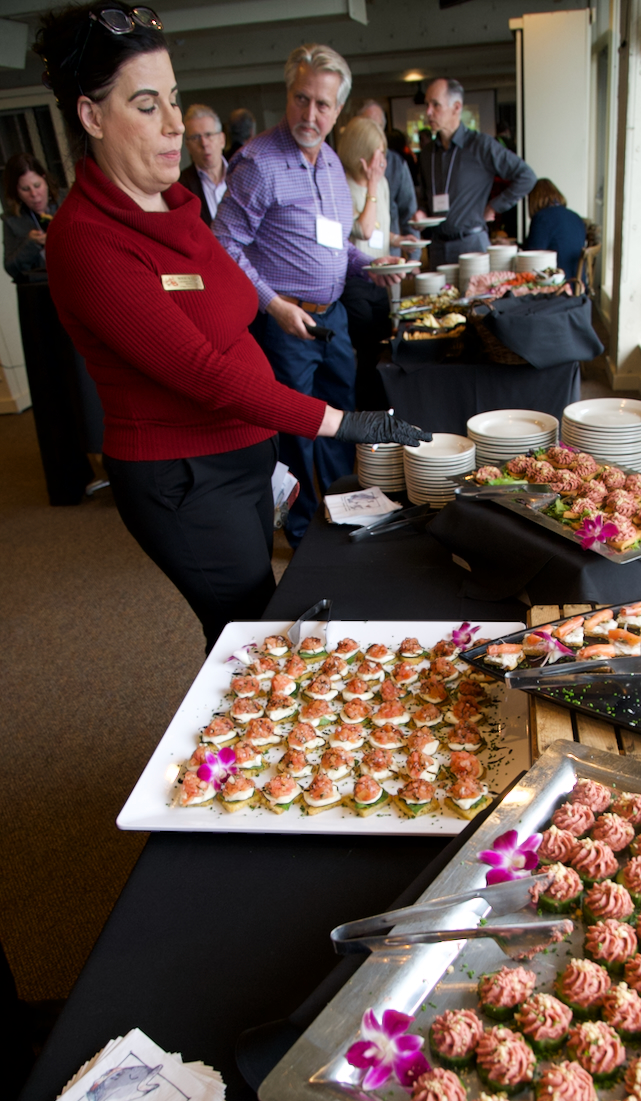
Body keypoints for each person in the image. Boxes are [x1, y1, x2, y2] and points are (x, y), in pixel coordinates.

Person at [35, 4, 428, 651]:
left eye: (173, 99)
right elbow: (204, 374)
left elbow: (233, 301)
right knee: (253, 638)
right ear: (91, 115)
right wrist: (342, 419)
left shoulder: (176, 206)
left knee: (261, 626)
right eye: (144, 105)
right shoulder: (86, 240)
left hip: (244, 456)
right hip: (185, 479)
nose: (172, 126)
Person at [213, 42, 408, 547]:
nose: (310, 113)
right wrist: (271, 304)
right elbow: (222, 242)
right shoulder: (257, 161)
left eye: (322, 104)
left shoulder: (330, 166)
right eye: (301, 99)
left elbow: (334, 241)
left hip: (333, 319)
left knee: (341, 422)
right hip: (283, 324)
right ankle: (302, 540)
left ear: (338, 109)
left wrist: (370, 265)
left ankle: (349, 516)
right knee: (297, 430)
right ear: (289, 94)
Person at [3, 152, 103, 505]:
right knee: (59, 388)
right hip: (41, 312)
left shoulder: (67, 206)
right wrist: (32, 243)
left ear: (47, 182)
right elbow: (11, 267)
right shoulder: (15, 224)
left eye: (38, 185)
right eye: (26, 189)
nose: (35, 194)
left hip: (78, 300)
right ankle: (75, 471)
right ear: (17, 193)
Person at [413, 78, 536, 267]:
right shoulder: (428, 153)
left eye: (435, 105)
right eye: (427, 105)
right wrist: (421, 212)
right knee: (435, 298)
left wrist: (494, 206)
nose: (428, 112)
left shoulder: (480, 145)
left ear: (456, 107)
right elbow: (425, 194)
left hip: (471, 244)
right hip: (437, 246)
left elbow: (526, 177)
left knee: (475, 297)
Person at [337, 115, 416, 408]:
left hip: (381, 278)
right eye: (378, 153)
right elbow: (364, 230)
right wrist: (371, 185)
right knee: (368, 352)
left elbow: (380, 230)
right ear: (361, 155)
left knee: (385, 345)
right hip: (356, 280)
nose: (382, 161)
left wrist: (399, 240)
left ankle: (386, 408)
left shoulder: (381, 184)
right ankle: (368, 415)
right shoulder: (344, 185)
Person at [356, 99, 417, 243]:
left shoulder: (395, 164)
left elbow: (408, 210)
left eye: (378, 127)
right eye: (369, 126)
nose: (374, 132)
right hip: (358, 252)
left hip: (389, 252)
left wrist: (413, 256)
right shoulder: (347, 166)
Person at [526, 177, 587, 281]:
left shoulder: (542, 218)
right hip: (577, 284)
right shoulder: (575, 217)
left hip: (557, 286)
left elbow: (532, 257)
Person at [179, 103, 227, 225]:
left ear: (222, 140)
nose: (204, 143)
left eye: (208, 135)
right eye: (195, 137)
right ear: (188, 146)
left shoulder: (243, 174)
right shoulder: (181, 187)